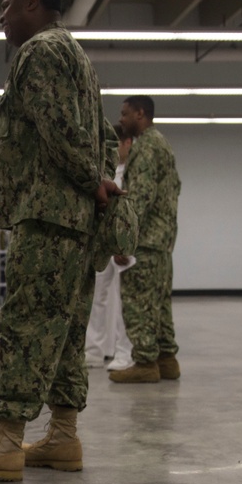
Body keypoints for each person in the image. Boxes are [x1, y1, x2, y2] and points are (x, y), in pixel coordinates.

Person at [0, 0, 121, 480]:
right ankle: (63, 436)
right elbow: (102, 133)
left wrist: (90, 178)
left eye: (6, 6)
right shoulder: (79, 58)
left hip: (48, 212)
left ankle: (6, 440)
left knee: (28, 323)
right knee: (65, 327)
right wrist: (97, 181)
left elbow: (61, 130)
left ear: (33, 5)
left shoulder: (39, 51)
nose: (1, 18)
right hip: (76, 218)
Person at [110, 95, 182, 383]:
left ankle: (145, 363)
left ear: (141, 114)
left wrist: (123, 239)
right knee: (159, 303)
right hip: (162, 240)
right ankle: (167, 360)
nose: (122, 119)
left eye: (125, 114)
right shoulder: (161, 143)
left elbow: (140, 197)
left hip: (147, 239)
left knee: (138, 301)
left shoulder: (147, 147)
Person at [85, 124, 134, 371]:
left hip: (124, 246)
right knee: (97, 297)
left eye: (117, 144)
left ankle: (124, 353)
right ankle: (94, 351)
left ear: (127, 143)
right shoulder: (106, 171)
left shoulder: (133, 171)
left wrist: (122, 245)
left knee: (124, 299)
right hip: (102, 241)